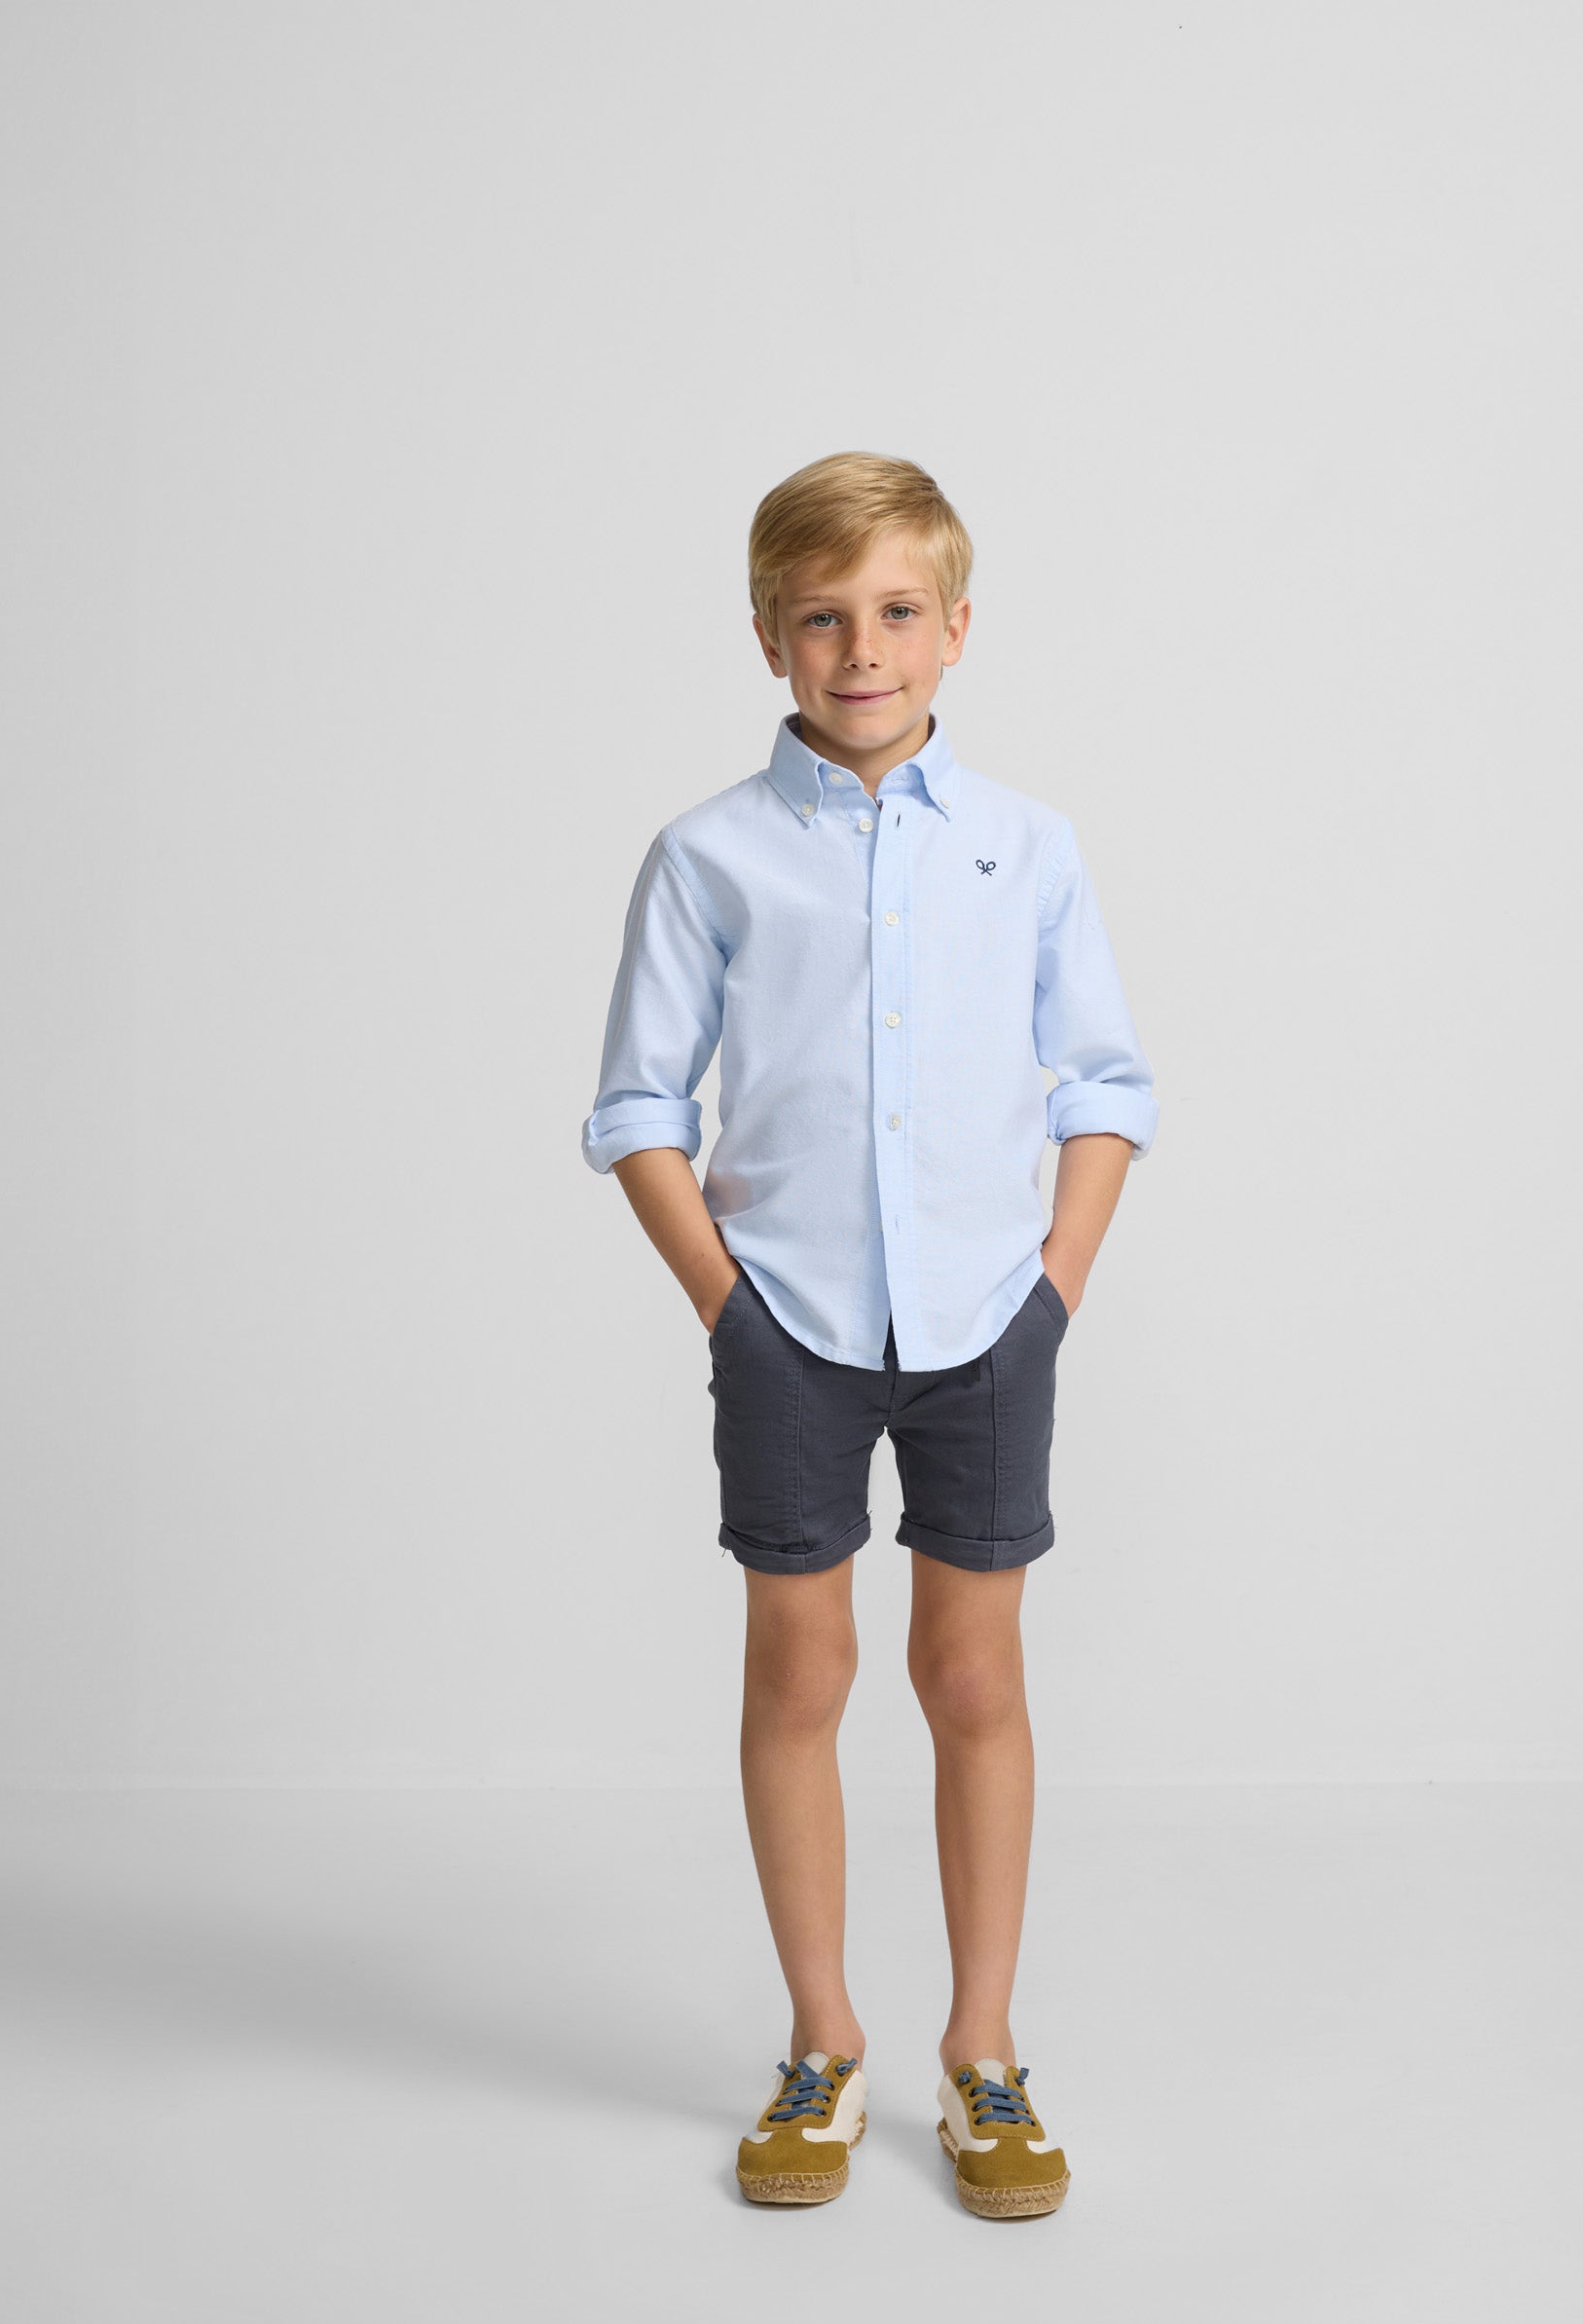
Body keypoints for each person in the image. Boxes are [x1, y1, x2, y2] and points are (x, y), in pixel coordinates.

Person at [581, 453, 1158, 2217]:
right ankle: (822, 2038)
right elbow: (637, 1106)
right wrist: (731, 1309)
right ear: (769, 636)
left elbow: (1105, 1083)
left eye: (898, 612)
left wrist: (1052, 1291)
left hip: (990, 1326)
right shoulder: (709, 856)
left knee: (974, 1679)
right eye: (822, 618)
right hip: (792, 1330)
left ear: (957, 628)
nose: (862, 650)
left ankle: (983, 2050)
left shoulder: (1027, 846)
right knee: (800, 1675)